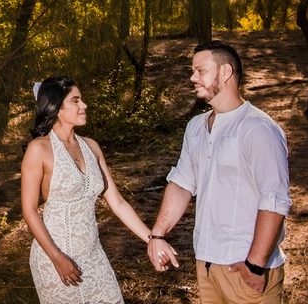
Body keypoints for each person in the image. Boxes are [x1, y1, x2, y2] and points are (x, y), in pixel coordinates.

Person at [146, 40, 291, 304]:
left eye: (201, 70)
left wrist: (256, 265)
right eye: (193, 71)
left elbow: (275, 200)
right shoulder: (195, 127)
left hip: (246, 268)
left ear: (225, 72)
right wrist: (157, 234)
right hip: (207, 265)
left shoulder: (258, 128)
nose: (193, 77)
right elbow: (182, 183)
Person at [21, 76, 176, 303]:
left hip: (93, 256)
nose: (84, 105)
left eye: (81, 100)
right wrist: (56, 258)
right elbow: (29, 210)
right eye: (76, 101)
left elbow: (117, 202)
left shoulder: (91, 146)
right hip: (54, 257)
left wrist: (152, 238)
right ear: (57, 108)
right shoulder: (39, 149)